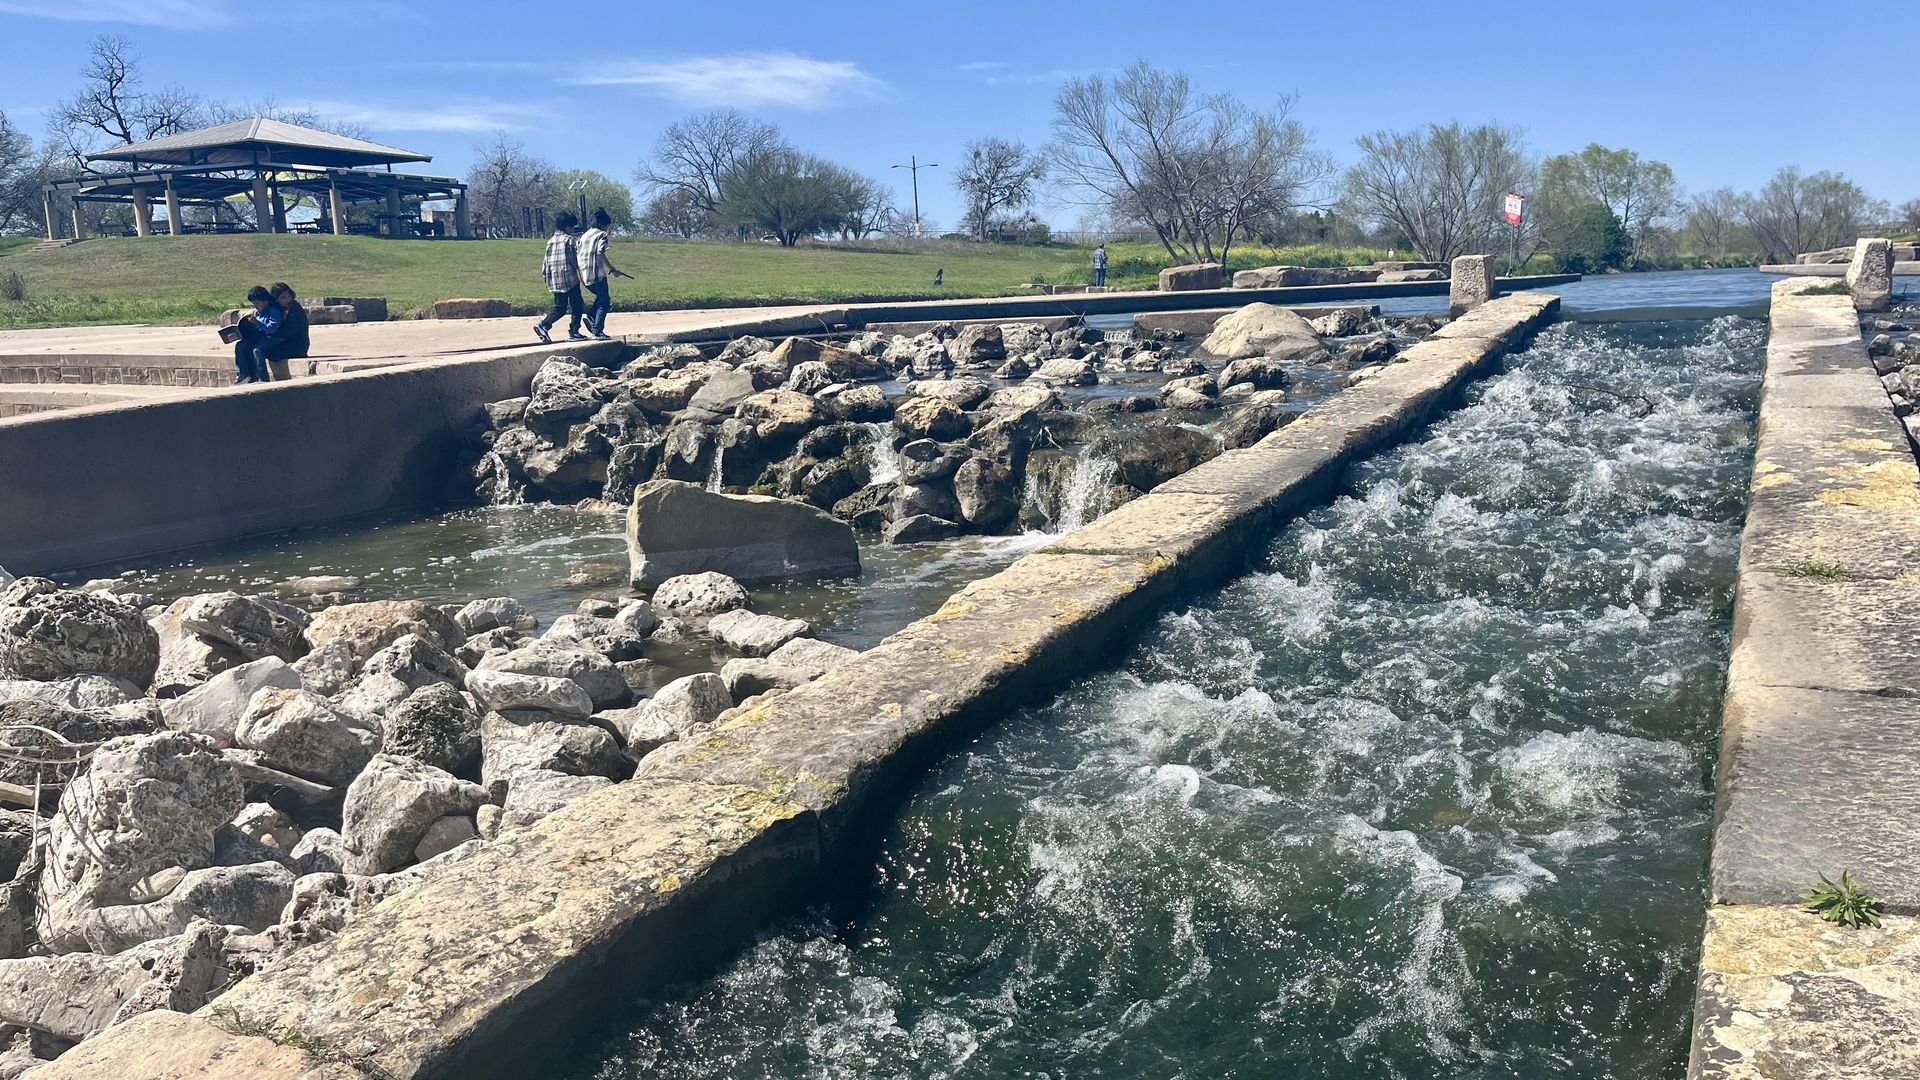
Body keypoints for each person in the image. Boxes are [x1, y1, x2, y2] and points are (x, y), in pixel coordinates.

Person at [575, 207, 629, 340]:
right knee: (605, 301)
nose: (607, 229)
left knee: (601, 298)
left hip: (583, 275)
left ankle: (591, 317)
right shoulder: (602, 235)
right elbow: (600, 252)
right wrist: (612, 269)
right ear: (602, 224)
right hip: (597, 274)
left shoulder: (584, 235)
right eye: (607, 226)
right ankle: (597, 331)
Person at [533, 211, 586, 344]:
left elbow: (545, 261)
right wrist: (580, 267)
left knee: (560, 307)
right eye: (573, 226)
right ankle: (574, 331)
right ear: (567, 227)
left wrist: (546, 275)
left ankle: (544, 325)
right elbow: (573, 260)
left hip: (554, 279)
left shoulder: (550, 241)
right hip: (569, 278)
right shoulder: (569, 240)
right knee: (577, 304)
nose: (574, 229)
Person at [260, 282, 310, 381]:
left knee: (268, 352)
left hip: (297, 345)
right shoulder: (278, 309)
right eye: (283, 298)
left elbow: (287, 331)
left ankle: (262, 379)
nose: (288, 300)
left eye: (289, 297)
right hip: (285, 342)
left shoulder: (295, 309)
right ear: (276, 299)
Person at [232, 285, 280, 384]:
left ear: (265, 300)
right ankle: (243, 374)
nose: (256, 306)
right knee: (241, 345)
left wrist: (257, 322)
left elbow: (272, 329)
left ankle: (262, 378)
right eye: (254, 304)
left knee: (257, 350)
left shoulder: (273, 311)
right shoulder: (258, 312)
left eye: (257, 303)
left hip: (272, 337)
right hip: (259, 336)